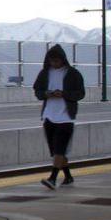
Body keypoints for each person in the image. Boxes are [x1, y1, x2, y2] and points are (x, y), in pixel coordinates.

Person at [33, 44, 85, 189]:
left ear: (63, 60)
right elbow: (37, 91)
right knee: (56, 151)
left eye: (57, 60)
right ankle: (68, 177)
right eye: (51, 60)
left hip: (66, 118)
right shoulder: (44, 73)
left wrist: (64, 94)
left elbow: (80, 94)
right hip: (49, 116)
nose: (54, 63)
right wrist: (47, 94)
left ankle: (52, 178)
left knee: (59, 150)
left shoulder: (73, 73)